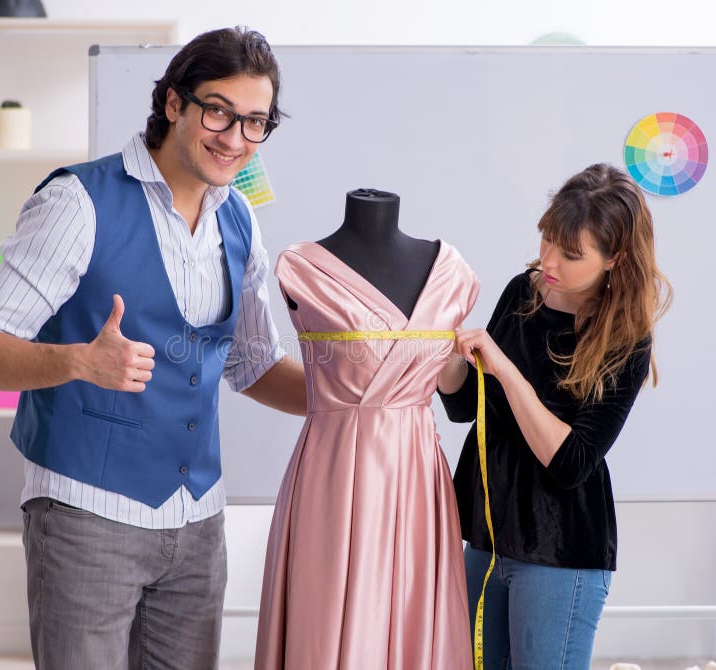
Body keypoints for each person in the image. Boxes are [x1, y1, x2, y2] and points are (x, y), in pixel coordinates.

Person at [0, 26, 306, 670]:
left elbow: (250, 364)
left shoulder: (239, 217)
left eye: (255, 122)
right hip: (86, 515)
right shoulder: (78, 201)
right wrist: (79, 360)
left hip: (198, 520)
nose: (235, 139)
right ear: (174, 103)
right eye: (218, 111)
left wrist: (358, 398)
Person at [437, 163, 672, 669]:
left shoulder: (626, 338)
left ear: (616, 258)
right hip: (487, 537)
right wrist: (444, 349)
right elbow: (465, 408)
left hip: (560, 551)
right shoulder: (523, 292)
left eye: (570, 253)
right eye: (546, 240)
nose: (548, 262)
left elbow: (569, 462)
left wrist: (505, 370)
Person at [255, 189, 478, 669]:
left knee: (416, 614)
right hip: (332, 475)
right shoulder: (301, 268)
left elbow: (454, 381)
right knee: (326, 614)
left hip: (417, 473)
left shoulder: (451, 273)